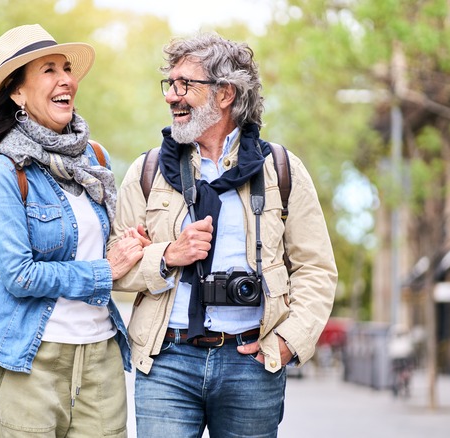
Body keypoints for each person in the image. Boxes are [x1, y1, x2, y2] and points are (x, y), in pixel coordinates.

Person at [109, 32, 338, 437]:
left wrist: (289, 341)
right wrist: (166, 257)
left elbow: (316, 269)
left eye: (184, 85)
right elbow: (114, 264)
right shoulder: (147, 172)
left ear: (225, 94)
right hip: (167, 361)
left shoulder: (281, 170)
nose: (171, 96)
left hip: (252, 361)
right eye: (170, 84)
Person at [0, 24, 146, 438]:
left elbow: (108, 244)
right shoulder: (3, 172)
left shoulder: (94, 158)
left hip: (100, 359)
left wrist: (133, 246)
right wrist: (105, 271)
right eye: (48, 70)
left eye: (66, 68)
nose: (66, 79)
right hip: (30, 358)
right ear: (17, 93)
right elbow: (20, 275)